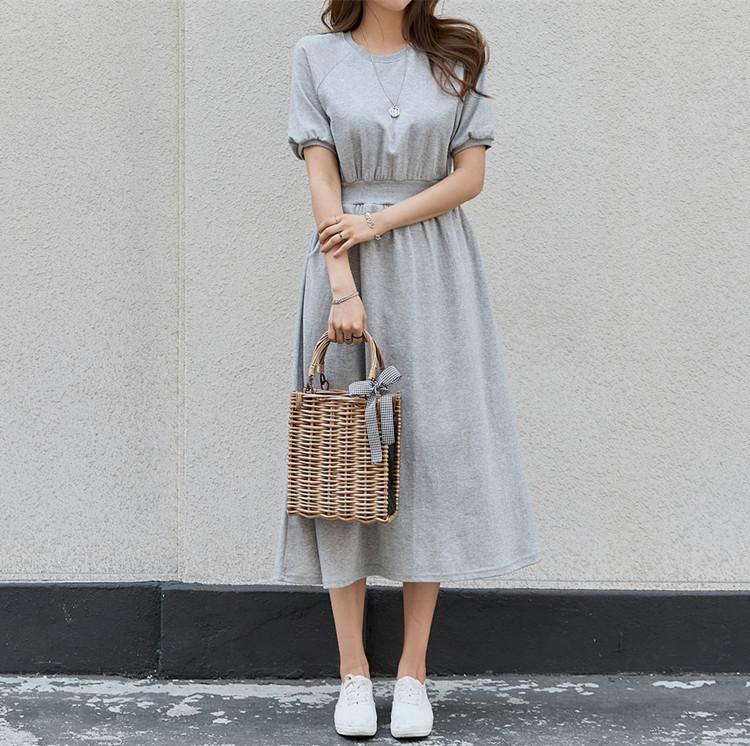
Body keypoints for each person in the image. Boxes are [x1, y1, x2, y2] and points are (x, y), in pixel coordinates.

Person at [273, 0, 543, 738]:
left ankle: (414, 674)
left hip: (435, 270)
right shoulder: (315, 58)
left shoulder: (455, 56)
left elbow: (469, 177)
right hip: (345, 269)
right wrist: (343, 286)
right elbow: (322, 178)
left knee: (432, 457)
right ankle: (353, 672)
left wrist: (380, 220)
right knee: (343, 464)